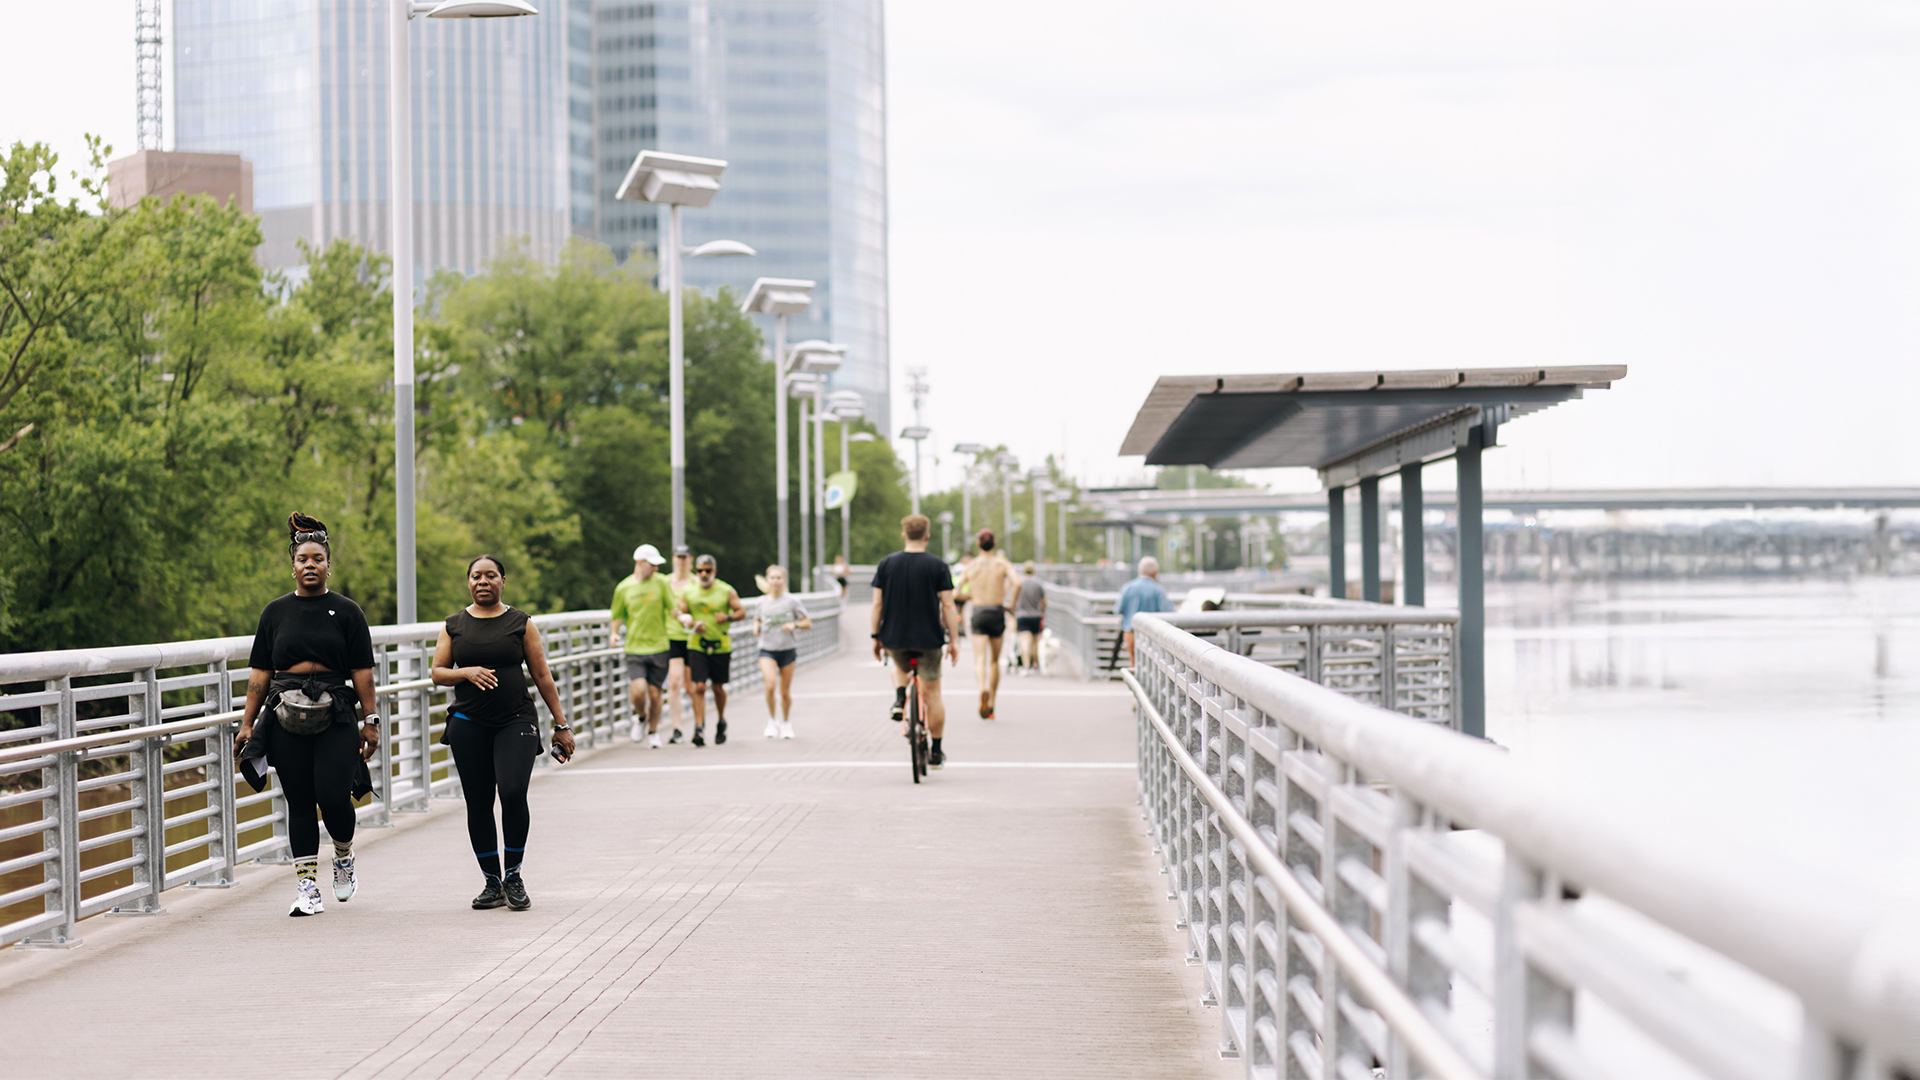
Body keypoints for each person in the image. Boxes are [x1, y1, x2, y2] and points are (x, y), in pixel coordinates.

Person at [235, 513, 381, 917]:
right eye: (303, 559)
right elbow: (260, 674)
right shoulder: (275, 613)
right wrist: (248, 723)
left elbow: (362, 673)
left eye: (318, 558)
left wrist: (370, 721)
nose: (310, 565)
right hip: (285, 713)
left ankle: (344, 856)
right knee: (298, 801)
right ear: (293, 566)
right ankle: (306, 888)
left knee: (333, 796)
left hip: (335, 712)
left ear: (328, 565)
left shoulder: (348, 612)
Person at [432, 556, 576, 911]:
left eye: (491, 576)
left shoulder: (520, 623)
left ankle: (514, 874)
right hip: (468, 722)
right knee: (478, 801)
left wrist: (561, 724)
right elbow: (437, 672)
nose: (483, 581)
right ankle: (492, 883)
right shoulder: (454, 625)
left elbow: (542, 675)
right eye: (476, 576)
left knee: (512, 792)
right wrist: (466, 673)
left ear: (503, 581)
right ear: (468, 582)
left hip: (515, 719)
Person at [871, 514, 960, 768]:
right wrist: (953, 640)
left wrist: (876, 637)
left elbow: (877, 604)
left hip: (895, 637)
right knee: (933, 695)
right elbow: (948, 605)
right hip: (929, 638)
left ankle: (900, 698)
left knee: (899, 666)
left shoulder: (886, 564)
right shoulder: (938, 566)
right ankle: (936, 752)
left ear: (904, 535)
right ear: (927, 536)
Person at [676, 554, 746, 746]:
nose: (704, 574)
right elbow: (680, 612)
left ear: (714, 572)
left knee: (717, 687)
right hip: (697, 643)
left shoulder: (726, 590)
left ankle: (721, 720)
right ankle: (699, 727)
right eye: (700, 571)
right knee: (698, 686)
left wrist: (728, 618)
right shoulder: (689, 591)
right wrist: (688, 620)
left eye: (708, 570)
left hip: (720, 644)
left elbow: (741, 611)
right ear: (696, 572)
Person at [611, 544, 675, 748]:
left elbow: (673, 608)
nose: (656, 569)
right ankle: (640, 717)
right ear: (640, 563)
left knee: (655, 695)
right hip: (634, 647)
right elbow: (617, 615)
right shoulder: (624, 588)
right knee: (638, 690)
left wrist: (684, 618)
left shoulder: (662, 583)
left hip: (659, 645)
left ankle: (654, 731)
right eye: (653, 565)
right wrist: (613, 633)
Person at [959, 529, 1021, 719]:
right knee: (994, 661)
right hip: (996, 611)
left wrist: (971, 596)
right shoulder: (1001, 564)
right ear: (994, 544)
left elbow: (955, 591)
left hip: (978, 610)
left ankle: (982, 688)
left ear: (978, 545)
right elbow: (1017, 583)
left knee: (980, 660)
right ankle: (991, 702)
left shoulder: (971, 566)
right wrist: (1010, 603)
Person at [755, 565, 812, 739]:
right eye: (772, 578)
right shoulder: (761, 602)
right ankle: (772, 720)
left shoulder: (792, 601)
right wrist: (756, 627)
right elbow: (757, 620)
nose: (776, 581)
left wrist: (793, 625)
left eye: (779, 578)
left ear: (784, 580)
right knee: (770, 685)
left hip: (787, 649)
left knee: (785, 691)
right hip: (767, 649)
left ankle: (786, 723)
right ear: (768, 580)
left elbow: (807, 622)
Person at [661, 545, 697, 743]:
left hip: (692, 638)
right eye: (678, 557)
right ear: (673, 559)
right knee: (674, 681)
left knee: (691, 686)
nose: (681, 561)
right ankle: (677, 728)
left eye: (685, 557)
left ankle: (698, 724)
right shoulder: (664, 582)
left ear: (690, 560)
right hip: (672, 636)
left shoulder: (696, 581)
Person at [1117, 555, 1171, 667]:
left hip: (1130, 632)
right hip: (1151, 636)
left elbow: (1118, 609)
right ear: (1155, 572)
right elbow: (1167, 611)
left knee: (1134, 664)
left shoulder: (1128, 587)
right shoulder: (1158, 590)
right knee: (1151, 666)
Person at [1013, 560, 1047, 674]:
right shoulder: (1039, 584)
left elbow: (1013, 599)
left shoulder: (1019, 583)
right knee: (1035, 642)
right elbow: (1044, 601)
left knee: (1024, 642)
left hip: (1022, 615)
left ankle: (1026, 666)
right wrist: (1043, 611)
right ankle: (1035, 664)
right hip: (1036, 615)